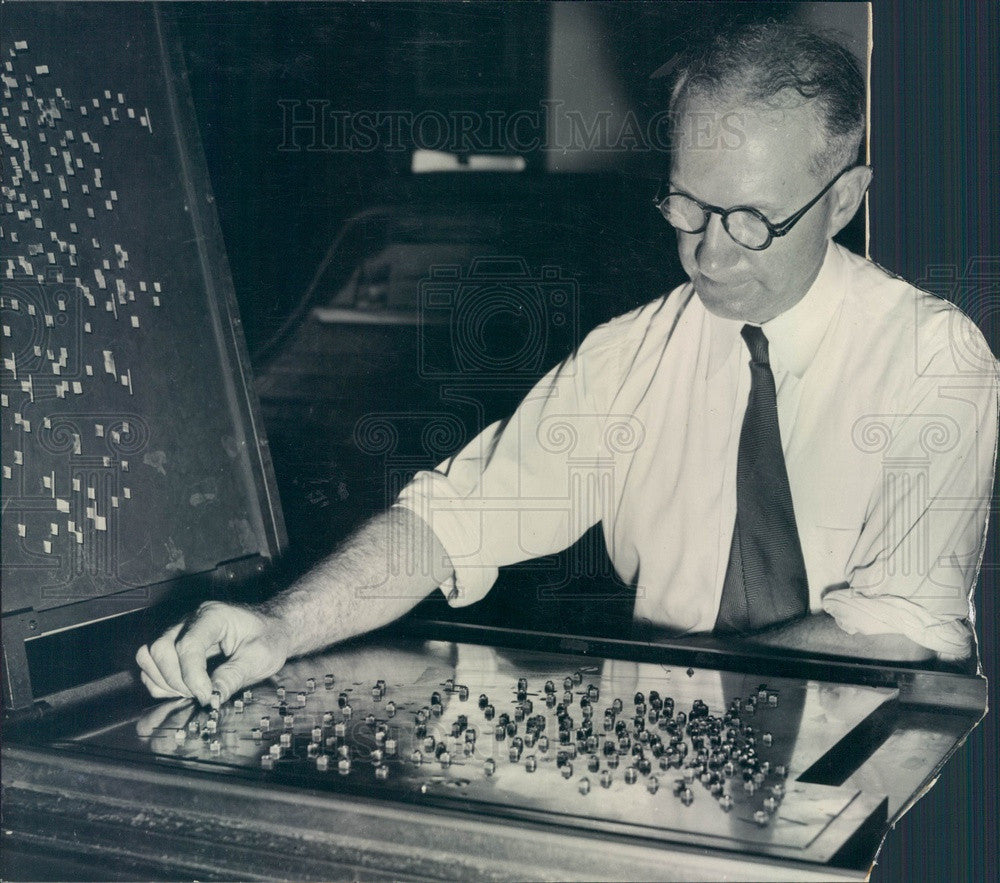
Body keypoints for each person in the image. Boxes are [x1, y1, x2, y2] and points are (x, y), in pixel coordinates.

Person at [137, 22, 998, 707]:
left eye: (750, 221)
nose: (708, 255)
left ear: (842, 199)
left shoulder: (933, 358)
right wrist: (280, 623)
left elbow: (897, 631)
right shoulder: (631, 356)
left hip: (868, 770)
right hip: (672, 757)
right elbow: (451, 519)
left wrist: (651, 690)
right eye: (687, 205)